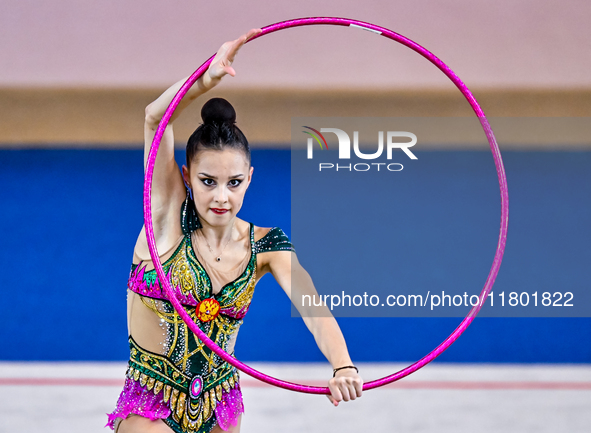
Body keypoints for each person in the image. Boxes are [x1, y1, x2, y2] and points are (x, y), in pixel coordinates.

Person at [106, 28, 363, 433]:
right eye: (208, 182)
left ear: (250, 177)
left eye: (234, 182)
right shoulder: (167, 220)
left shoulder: (267, 245)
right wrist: (205, 78)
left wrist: (343, 365)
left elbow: (313, 307)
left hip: (222, 409)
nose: (221, 197)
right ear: (187, 177)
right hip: (152, 408)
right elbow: (155, 117)